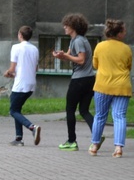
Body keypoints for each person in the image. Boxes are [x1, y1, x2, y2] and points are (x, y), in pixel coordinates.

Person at [52, 13, 95, 151]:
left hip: (80, 80)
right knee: (84, 110)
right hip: (89, 79)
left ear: (74, 27)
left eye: (67, 25)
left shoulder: (78, 41)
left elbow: (81, 60)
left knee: (70, 109)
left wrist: (66, 55)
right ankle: (97, 137)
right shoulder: (77, 40)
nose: (64, 27)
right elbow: (70, 57)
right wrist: (61, 56)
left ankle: (72, 141)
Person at [89, 19, 131, 158]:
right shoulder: (126, 49)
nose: (125, 32)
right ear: (118, 33)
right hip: (122, 86)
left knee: (100, 116)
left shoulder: (100, 46)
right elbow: (128, 66)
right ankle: (118, 148)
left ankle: (95, 146)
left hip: (103, 86)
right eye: (123, 30)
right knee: (119, 117)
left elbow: (95, 65)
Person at [3, 25, 40, 146]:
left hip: (20, 85)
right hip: (31, 84)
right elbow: (35, 68)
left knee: (13, 111)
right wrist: (14, 74)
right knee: (17, 109)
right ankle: (18, 138)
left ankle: (32, 127)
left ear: (20, 35)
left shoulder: (16, 47)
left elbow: (12, 68)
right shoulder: (34, 49)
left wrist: (8, 73)